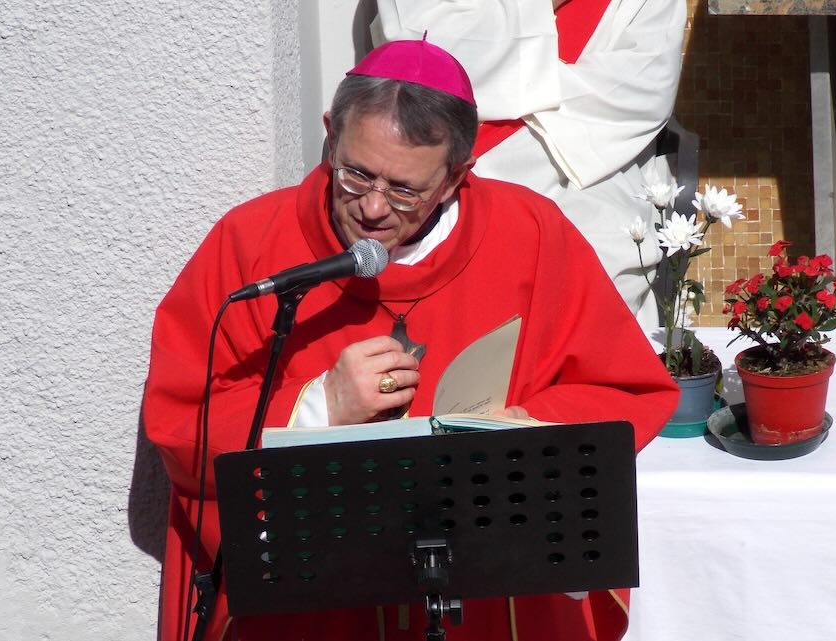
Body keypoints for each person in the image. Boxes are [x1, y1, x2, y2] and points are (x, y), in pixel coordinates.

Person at [143, 37, 678, 641]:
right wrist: (318, 408)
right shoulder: (251, 245)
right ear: (330, 132)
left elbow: (624, 389)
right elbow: (182, 419)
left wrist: (524, 432)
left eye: (404, 189)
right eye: (355, 174)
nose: (371, 208)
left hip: (484, 597)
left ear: (455, 176)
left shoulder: (531, 234)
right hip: (314, 603)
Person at [373, 0, 688, 322]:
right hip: (454, 147)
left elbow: (643, 89)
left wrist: (509, 79)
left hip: (584, 159)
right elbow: (420, 48)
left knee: (597, 261)